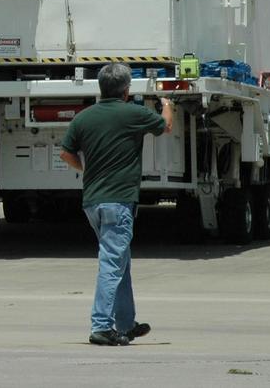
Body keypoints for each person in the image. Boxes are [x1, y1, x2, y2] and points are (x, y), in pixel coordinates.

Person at [59, 63, 174, 346]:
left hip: (93, 202)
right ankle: (101, 325)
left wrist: (86, 171)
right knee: (112, 262)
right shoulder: (133, 113)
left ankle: (125, 323)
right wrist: (167, 104)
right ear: (126, 90)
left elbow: (65, 153)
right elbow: (166, 126)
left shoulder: (83, 119)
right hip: (119, 203)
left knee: (120, 261)